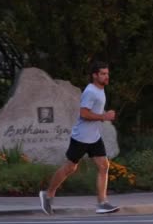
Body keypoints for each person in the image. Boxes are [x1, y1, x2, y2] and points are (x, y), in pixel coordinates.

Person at [39, 61, 119, 215]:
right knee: (70, 167)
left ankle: (102, 203)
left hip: (94, 137)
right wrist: (104, 116)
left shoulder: (100, 89)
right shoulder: (91, 92)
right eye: (103, 74)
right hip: (81, 137)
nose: (106, 76)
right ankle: (48, 194)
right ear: (95, 75)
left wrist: (103, 115)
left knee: (104, 166)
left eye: (107, 73)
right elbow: (84, 114)